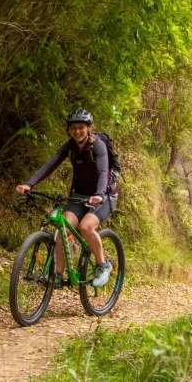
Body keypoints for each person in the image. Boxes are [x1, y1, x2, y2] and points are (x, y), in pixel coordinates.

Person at [16, 109, 118, 287]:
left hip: (104, 196)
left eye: (81, 127)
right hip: (80, 195)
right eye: (73, 128)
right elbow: (49, 165)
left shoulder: (98, 146)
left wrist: (99, 194)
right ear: (69, 129)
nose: (77, 131)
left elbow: (103, 172)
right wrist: (29, 184)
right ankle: (57, 275)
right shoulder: (69, 147)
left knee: (86, 227)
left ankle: (103, 265)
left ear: (89, 128)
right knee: (62, 229)